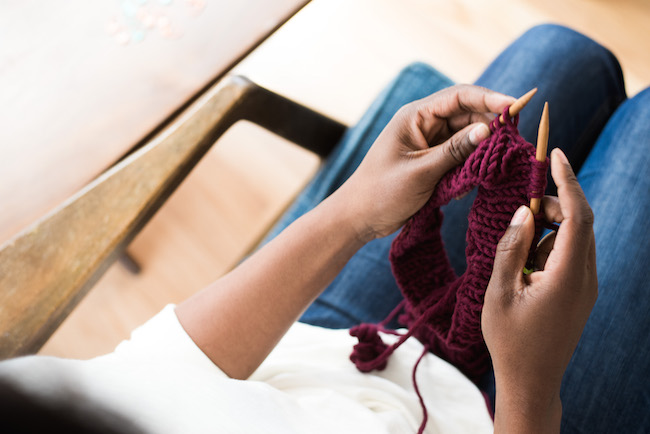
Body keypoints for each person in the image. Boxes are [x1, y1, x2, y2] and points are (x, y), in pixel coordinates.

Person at [0, 24, 648, 433]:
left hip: (315, 355)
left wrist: (354, 212)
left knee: (562, 52)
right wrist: (532, 393)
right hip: (511, 413)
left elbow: (155, 372)